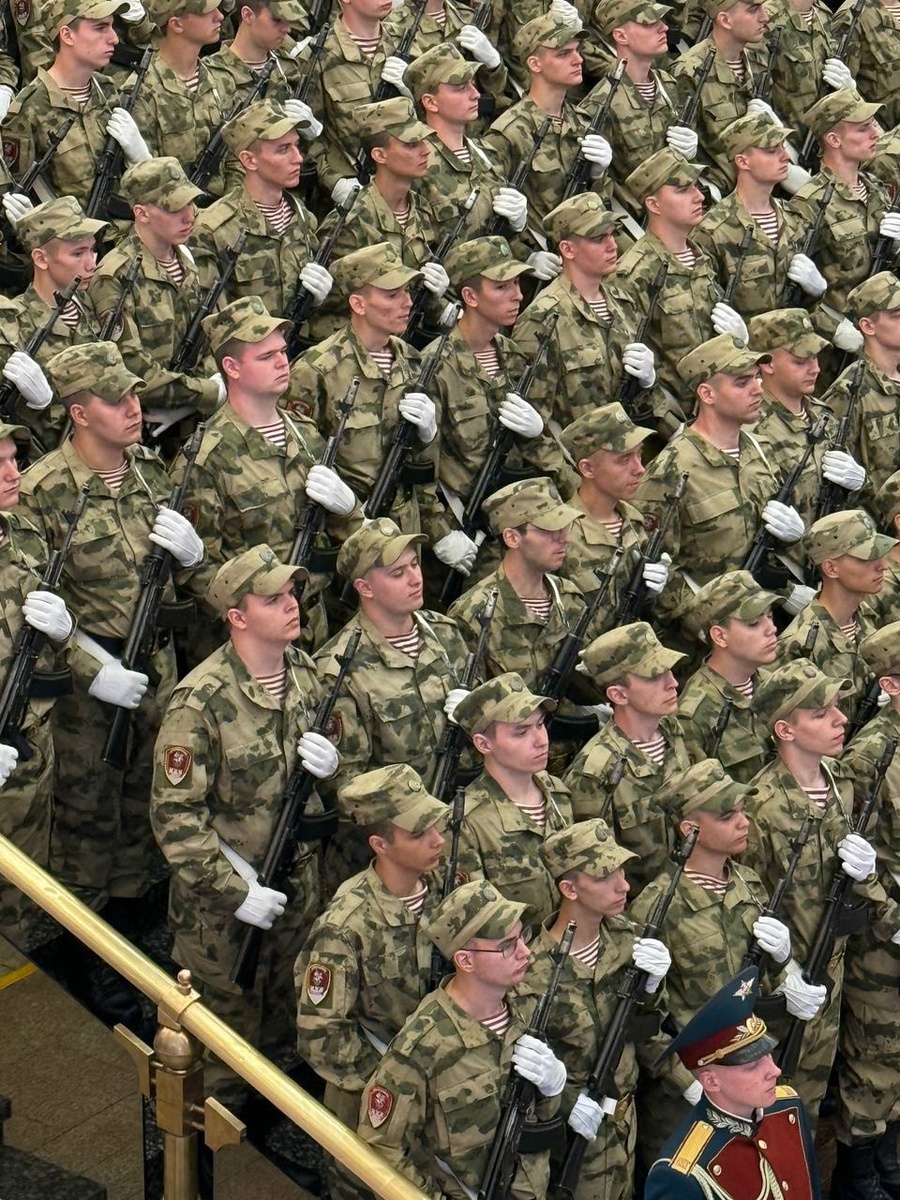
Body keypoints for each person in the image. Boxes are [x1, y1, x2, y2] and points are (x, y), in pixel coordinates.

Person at [17, 343, 201, 936]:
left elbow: (178, 577)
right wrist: (94, 669)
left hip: (156, 666)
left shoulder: (149, 471)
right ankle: (86, 942)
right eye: (114, 399)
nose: (132, 407)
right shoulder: (43, 492)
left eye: (133, 394)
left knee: (150, 801)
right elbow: (33, 609)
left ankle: (136, 922)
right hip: (88, 689)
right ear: (78, 413)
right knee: (88, 819)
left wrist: (193, 559)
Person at [151, 545, 337, 1106]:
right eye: (272, 599)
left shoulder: (303, 673)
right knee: (224, 1064)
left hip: (295, 892)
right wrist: (237, 891)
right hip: (222, 917)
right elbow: (174, 818)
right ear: (237, 616)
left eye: (292, 593)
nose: (292, 605)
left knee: (284, 1035)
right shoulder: (199, 703)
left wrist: (334, 765)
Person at [631, 760, 824, 1167]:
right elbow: (643, 1019)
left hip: (749, 1076)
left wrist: (787, 967)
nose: (743, 822)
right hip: (688, 1093)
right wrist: (685, 1082)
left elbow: (758, 983)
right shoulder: (659, 907)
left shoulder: (749, 886)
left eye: (741, 810)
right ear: (690, 829)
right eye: (726, 815)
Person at [171, 295, 363, 660]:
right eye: (266, 356)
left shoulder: (306, 434)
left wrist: (350, 509)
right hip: (251, 643)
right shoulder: (206, 457)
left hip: (313, 624)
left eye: (283, 351)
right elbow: (198, 570)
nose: (282, 362)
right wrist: (257, 613)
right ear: (232, 367)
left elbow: (339, 531)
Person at [358, 878, 569, 1199]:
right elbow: (381, 1148)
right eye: (507, 945)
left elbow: (533, 1114)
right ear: (465, 960)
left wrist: (553, 1089)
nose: (525, 952)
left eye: (522, 936)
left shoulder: (524, 1008)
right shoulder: (423, 1045)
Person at [295, 763, 448, 1198]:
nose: (437, 839)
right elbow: (321, 1035)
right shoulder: (346, 926)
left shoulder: (445, 889)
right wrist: (393, 1084)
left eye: (435, 825)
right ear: (380, 844)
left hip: (442, 1091)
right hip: (372, 1101)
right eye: (419, 833)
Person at [744, 660, 885, 1119]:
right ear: (785, 729)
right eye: (821, 713)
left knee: (811, 1101)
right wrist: (783, 972)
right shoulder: (762, 807)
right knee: (776, 1104)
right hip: (786, 984)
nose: (840, 719)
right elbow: (750, 905)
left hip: (833, 972)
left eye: (837, 707)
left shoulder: (840, 784)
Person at [518, 819, 673, 1200]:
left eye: (621, 871)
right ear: (569, 889)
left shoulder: (628, 940)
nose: (624, 885)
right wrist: (568, 1103)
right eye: (605, 877)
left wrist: (653, 987)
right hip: (575, 1140)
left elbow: (647, 1024)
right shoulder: (532, 971)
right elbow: (522, 1069)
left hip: (626, 1123)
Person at [314, 518, 470, 883]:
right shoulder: (339, 668)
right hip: (388, 853)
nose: (415, 578)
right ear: (365, 587)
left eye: (415, 564)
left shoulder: (445, 635)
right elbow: (347, 786)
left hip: (457, 825)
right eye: (398, 573)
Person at [289, 242, 462, 553]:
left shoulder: (412, 362)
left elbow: (419, 471)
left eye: (407, 291)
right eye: (392, 295)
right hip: (347, 538)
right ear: (358, 304)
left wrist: (429, 436)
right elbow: (301, 467)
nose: (408, 302)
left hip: (405, 532)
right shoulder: (316, 370)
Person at [634, 332, 811, 628]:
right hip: (710, 635)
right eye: (742, 382)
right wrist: (707, 624)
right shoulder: (673, 470)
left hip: (766, 621)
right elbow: (657, 569)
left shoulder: (761, 450)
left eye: (757, 378)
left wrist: (794, 541)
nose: (757, 389)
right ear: (707, 394)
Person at [644, 965, 822, 1200]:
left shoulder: (787, 1106)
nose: (775, 1071)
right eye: (752, 1065)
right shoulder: (682, 1175)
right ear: (711, 1081)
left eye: (768, 1055)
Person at [0, 421, 75, 947]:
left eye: (14, 460)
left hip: (28, 748)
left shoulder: (21, 535)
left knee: (24, 898)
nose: (14, 474)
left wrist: (64, 630)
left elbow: (47, 647)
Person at [835, 623, 900, 1200]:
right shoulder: (873, 755)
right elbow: (859, 857)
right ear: (891, 685)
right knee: (876, 1050)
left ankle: (887, 1156)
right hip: (885, 931)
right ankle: (857, 1174)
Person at [88, 156, 224, 423]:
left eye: (190, 203)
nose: (189, 215)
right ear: (142, 213)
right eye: (175, 208)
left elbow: (209, 335)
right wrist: (206, 392)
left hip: (199, 413)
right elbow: (130, 366)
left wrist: (212, 385)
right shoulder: (116, 276)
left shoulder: (188, 260)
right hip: (148, 421)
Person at [514, 191, 660, 432]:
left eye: (612, 234)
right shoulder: (543, 318)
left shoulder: (623, 303)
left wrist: (649, 382)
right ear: (568, 249)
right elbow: (537, 418)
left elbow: (644, 402)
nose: (612, 246)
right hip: (583, 451)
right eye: (598, 238)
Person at [563, 621, 692, 894]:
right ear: (619, 694)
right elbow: (598, 870)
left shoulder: (674, 732)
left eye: (669, 670)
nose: (672, 683)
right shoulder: (595, 773)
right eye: (655, 676)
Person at [614, 148, 740, 405]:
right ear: (654, 204)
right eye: (683, 190)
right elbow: (630, 369)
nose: (699, 196)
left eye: (696, 186)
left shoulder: (700, 258)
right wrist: (670, 421)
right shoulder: (634, 275)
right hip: (677, 415)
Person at [191, 99, 331, 320]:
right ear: (249, 160)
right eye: (283, 149)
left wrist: (317, 302)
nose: (298, 158)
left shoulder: (303, 218)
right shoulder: (213, 230)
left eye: (297, 145)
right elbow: (211, 321)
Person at [2, 0, 151, 206]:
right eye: (100, 28)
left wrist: (142, 161)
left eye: (111, 26)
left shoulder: (108, 91)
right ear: (67, 35)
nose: (114, 38)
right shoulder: (29, 111)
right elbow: (15, 193)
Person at [452, 672, 571, 922]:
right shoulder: (466, 823)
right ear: (484, 744)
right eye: (521, 732)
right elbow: (478, 921)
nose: (541, 740)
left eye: (540, 724)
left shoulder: (557, 793)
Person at [482, 14, 614, 227]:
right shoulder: (509, 133)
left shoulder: (583, 122)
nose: (578, 60)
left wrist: (597, 176)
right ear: (535, 64)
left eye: (577, 50)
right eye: (564, 54)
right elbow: (495, 213)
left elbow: (601, 206)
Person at [693, 111, 826, 320]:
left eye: (783, 148)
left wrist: (817, 293)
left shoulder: (797, 219)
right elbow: (705, 311)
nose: (786, 157)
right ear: (743, 161)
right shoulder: (712, 231)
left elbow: (807, 309)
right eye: (772, 151)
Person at [2, 196, 108, 453]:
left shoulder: (92, 302)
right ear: (41, 259)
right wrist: (39, 406)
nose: (91, 264)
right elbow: (12, 435)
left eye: (92, 250)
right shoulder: (14, 327)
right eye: (78, 253)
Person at [790, 90, 896, 338]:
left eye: (872, 125)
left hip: (884, 329)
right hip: (840, 338)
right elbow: (794, 296)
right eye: (862, 128)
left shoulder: (875, 189)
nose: (875, 133)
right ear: (834, 140)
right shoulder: (811, 202)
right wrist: (835, 329)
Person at [557, 403, 670, 638]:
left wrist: (653, 595)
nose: (640, 469)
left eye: (639, 454)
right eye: (624, 459)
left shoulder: (638, 524)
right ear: (588, 469)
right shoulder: (560, 533)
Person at [749, 307, 865, 532]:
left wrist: (860, 485)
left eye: (815, 357)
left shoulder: (823, 415)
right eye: (801, 361)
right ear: (767, 364)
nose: (816, 369)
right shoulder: (750, 427)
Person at [577, 0, 696, 207]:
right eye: (649, 23)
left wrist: (690, 153)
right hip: (638, 215)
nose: (664, 27)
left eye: (661, 20)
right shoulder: (600, 104)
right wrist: (596, 174)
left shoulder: (668, 84)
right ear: (621, 36)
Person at [777, 509, 895, 708]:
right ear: (831, 568)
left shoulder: (869, 616)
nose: (882, 565)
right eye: (866, 558)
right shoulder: (799, 645)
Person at [677, 570, 778, 781]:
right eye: (754, 623)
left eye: (769, 616)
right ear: (720, 636)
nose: (772, 629)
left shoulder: (775, 684)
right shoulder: (694, 714)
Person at [670, 0, 775, 193]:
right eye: (753, 10)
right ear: (725, 20)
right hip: (719, 194)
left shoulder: (759, 61)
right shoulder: (690, 72)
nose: (764, 17)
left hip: (760, 186)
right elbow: (681, 153)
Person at [130, 0, 228, 191]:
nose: (220, 16)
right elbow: (149, 179)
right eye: (205, 12)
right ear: (176, 24)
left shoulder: (220, 78)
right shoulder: (141, 92)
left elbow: (234, 156)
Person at [821, 272, 900, 500]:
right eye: (897, 315)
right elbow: (832, 476)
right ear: (868, 326)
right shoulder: (850, 390)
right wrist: (862, 485)